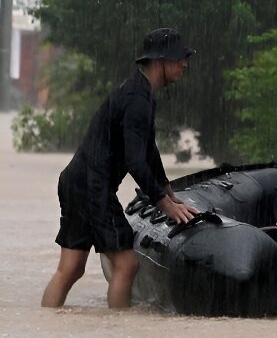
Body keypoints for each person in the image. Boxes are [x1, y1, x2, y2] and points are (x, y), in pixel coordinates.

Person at [41, 28, 199, 310]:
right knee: (126, 264)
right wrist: (164, 204)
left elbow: (147, 148)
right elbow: (135, 160)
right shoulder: (137, 99)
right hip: (92, 186)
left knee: (71, 268)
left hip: (76, 180)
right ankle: (118, 336)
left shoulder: (139, 92)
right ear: (159, 60)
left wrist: (165, 187)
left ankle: (47, 326)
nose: (184, 64)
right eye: (179, 58)